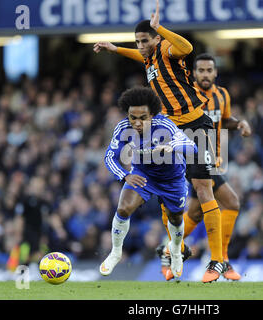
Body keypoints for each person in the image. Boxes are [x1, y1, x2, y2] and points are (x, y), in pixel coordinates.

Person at [94, 0, 226, 282]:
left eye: (145, 40)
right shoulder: (148, 57)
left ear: (156, 39)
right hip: (166, 127)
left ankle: (217, 260)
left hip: (194, 122)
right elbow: (138, 54)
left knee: (203, 187)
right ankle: (173, 249)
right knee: (169, 198)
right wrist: (116, 49)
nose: (141, 45)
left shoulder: (165, 48)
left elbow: (188, 49)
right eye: (138, 41)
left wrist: (160, 29)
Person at [158, 53, 252, 281]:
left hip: (212, 159)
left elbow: (223, 120)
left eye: (209, 70)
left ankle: (169, 249)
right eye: (201, 70)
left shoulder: (222, 95)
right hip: (190, 157)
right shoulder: (185, 95)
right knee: (230, 201)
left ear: (215, 72)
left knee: (197, 213)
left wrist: (239, 123)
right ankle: (222, 260)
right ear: (194, 73)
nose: (205, 74)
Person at [99, 87, 197, 281]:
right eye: (132, 117)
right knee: (124, 208)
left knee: (176, 219)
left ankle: (176, 251)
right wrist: (125, 176)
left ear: (152, 114)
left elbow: (192, 146)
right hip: (143, 174)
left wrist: (172, 146)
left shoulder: (165, 125)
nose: (137, 122)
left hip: (172, 179)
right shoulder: (122, 128)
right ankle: (116, 252)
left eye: (142, 117)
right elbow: (109, 156)